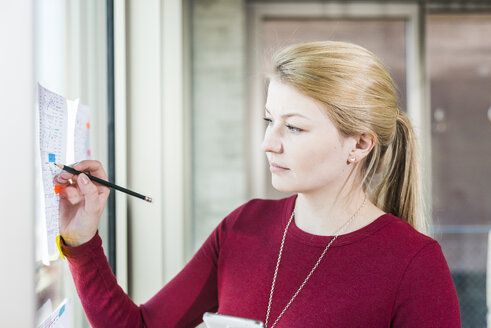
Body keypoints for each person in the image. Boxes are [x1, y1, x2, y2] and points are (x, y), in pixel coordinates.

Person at [54, 41, 461, 327]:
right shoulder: (243, 227)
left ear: (358, 144)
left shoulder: (415, 264)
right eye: (270, 120)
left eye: (295, 128)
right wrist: (82, 240)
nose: (269, 143)